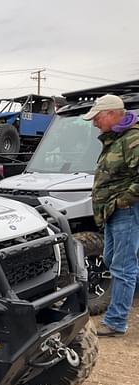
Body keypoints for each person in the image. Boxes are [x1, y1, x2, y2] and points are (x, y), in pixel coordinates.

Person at [83, 94, 139, 336]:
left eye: (96, 117)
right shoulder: (116, 138)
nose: (94, 123)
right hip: (113, 214)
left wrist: (121, 202)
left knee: (123, 267)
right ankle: (116, 312)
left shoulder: (132, 138)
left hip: (126, 212)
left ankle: (116, 322)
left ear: (111, 114)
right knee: (113, 259)